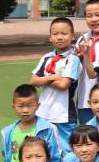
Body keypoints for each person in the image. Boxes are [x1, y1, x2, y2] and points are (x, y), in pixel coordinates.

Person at [31, 17, 82, 146]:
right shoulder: (47, 58)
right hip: (43, 112)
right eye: (55, 34)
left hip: (63, 114)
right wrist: (51, 77)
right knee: (44, 148)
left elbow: (64, 84)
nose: (59, 37)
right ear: (50, 37)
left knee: (69, 149)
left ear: (72, 36)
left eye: (64, 34)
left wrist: (44, 79)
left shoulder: (72, 59)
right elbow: (33, 81)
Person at [74, 0, 99, 124]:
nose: (94, 19)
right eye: (89, 16)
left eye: (98, 15)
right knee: (88, 133)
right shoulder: (82, 40)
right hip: (85, 100)